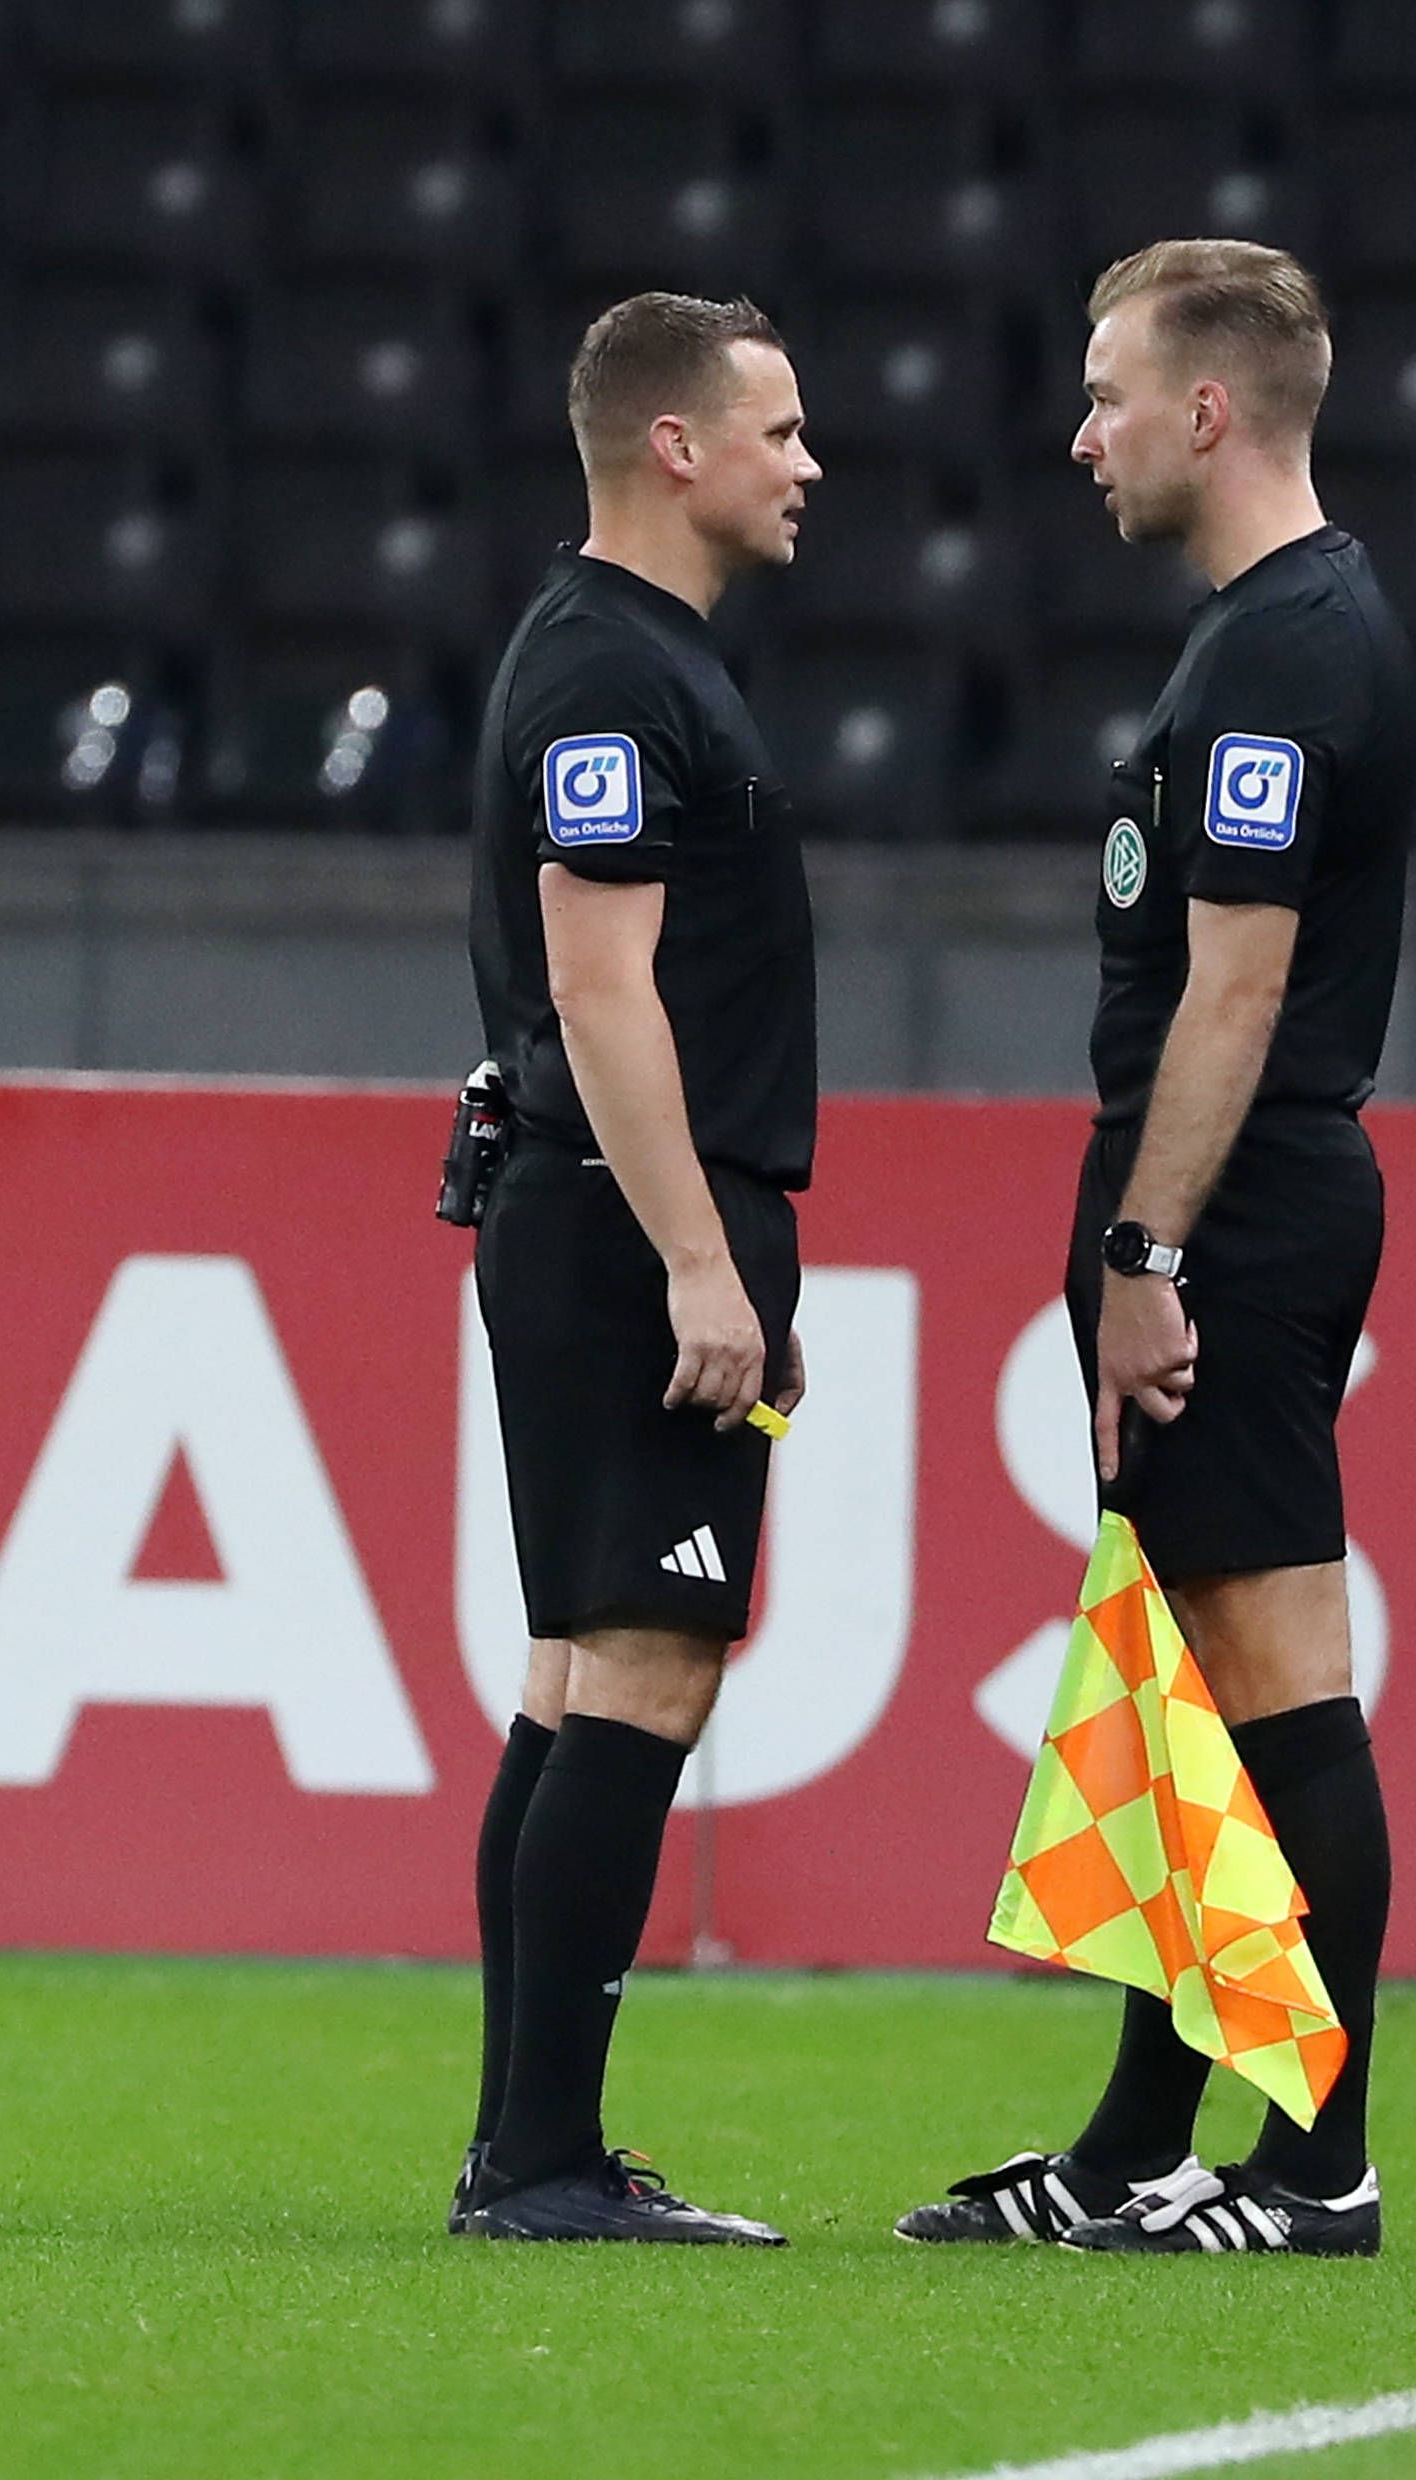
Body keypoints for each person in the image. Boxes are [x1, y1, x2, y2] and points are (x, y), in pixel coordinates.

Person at [900, 240, 1416, 2258]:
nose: (1080, 431)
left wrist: (1144, 1247)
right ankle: (1129, 2147)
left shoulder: (1286, 645)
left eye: (1106, 390)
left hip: (1236, 1201)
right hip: (1228, 1193)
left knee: (1277, 1679)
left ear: (1209, 409)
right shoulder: (1274, 632)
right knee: (1181, 1692)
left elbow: (1231, 993)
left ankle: (1316, 2161)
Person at [451, 292, 821, 2246]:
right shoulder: (612, 671)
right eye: (774, 426)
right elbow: (599, 985)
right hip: (625, 1215)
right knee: (645, 1669)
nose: (805, 461)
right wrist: (701, 1257)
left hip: (593, 1206)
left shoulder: (630, 654)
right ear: (672, 446)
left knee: (575, 1672)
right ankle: (541, 2162)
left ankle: (527, 2144)